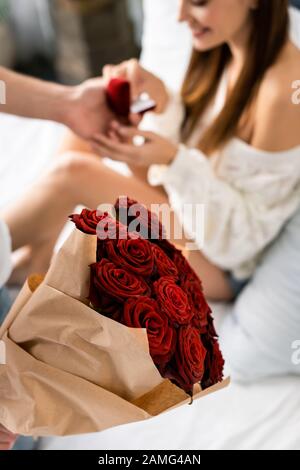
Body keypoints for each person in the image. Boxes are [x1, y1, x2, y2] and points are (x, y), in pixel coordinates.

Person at [27, 0, 299, 302]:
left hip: (218, 262)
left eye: (197, 2)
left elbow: (237, 245)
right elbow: (202, 143)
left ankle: (15, 246)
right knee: (89, 122)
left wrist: (172, 160)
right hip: (190, 209)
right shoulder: (222, 44)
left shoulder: (283, 96)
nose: (181, 16)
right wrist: (161, 98)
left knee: (73, 174)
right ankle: (35, 254)